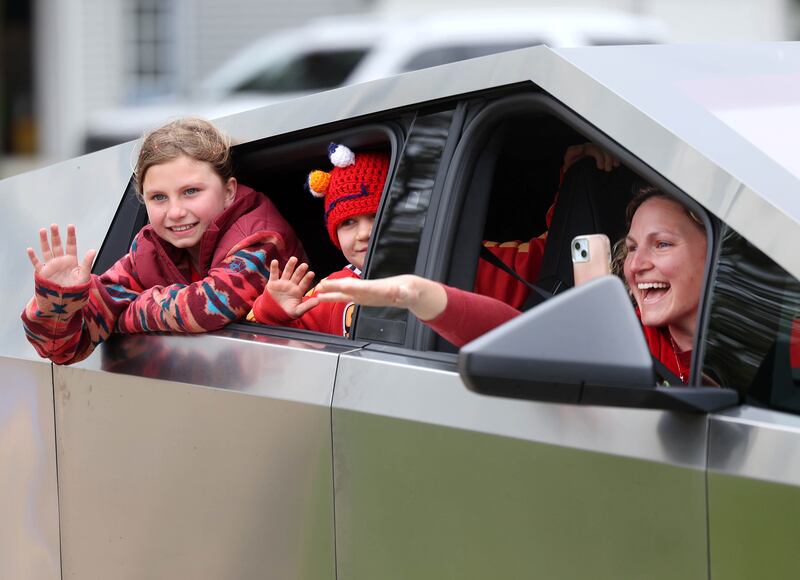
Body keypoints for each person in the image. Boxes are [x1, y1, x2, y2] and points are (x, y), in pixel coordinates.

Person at [313, 186, 707, 384]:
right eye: (633, 247)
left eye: (663, 244)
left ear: (717, 253)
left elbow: (537, 251)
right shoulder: (623, 336)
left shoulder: (761, 346)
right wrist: (419, 295)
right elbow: (517, 337)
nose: (636, 264)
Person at [21, 117, 305, 365]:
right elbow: (64, 350)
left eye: (191, 191)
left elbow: (206, 307)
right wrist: (58, 302)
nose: (175, 212)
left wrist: (124, 316)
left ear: (229, 191)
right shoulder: (149, 250)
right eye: (158, 197)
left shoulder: (261, 237)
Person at [247, 143, 389, 337]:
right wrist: (274, 310)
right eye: (348, 222)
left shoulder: (437, 267)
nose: (364, 233)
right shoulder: (331, 291)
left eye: (376, 215)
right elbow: (292, 345)